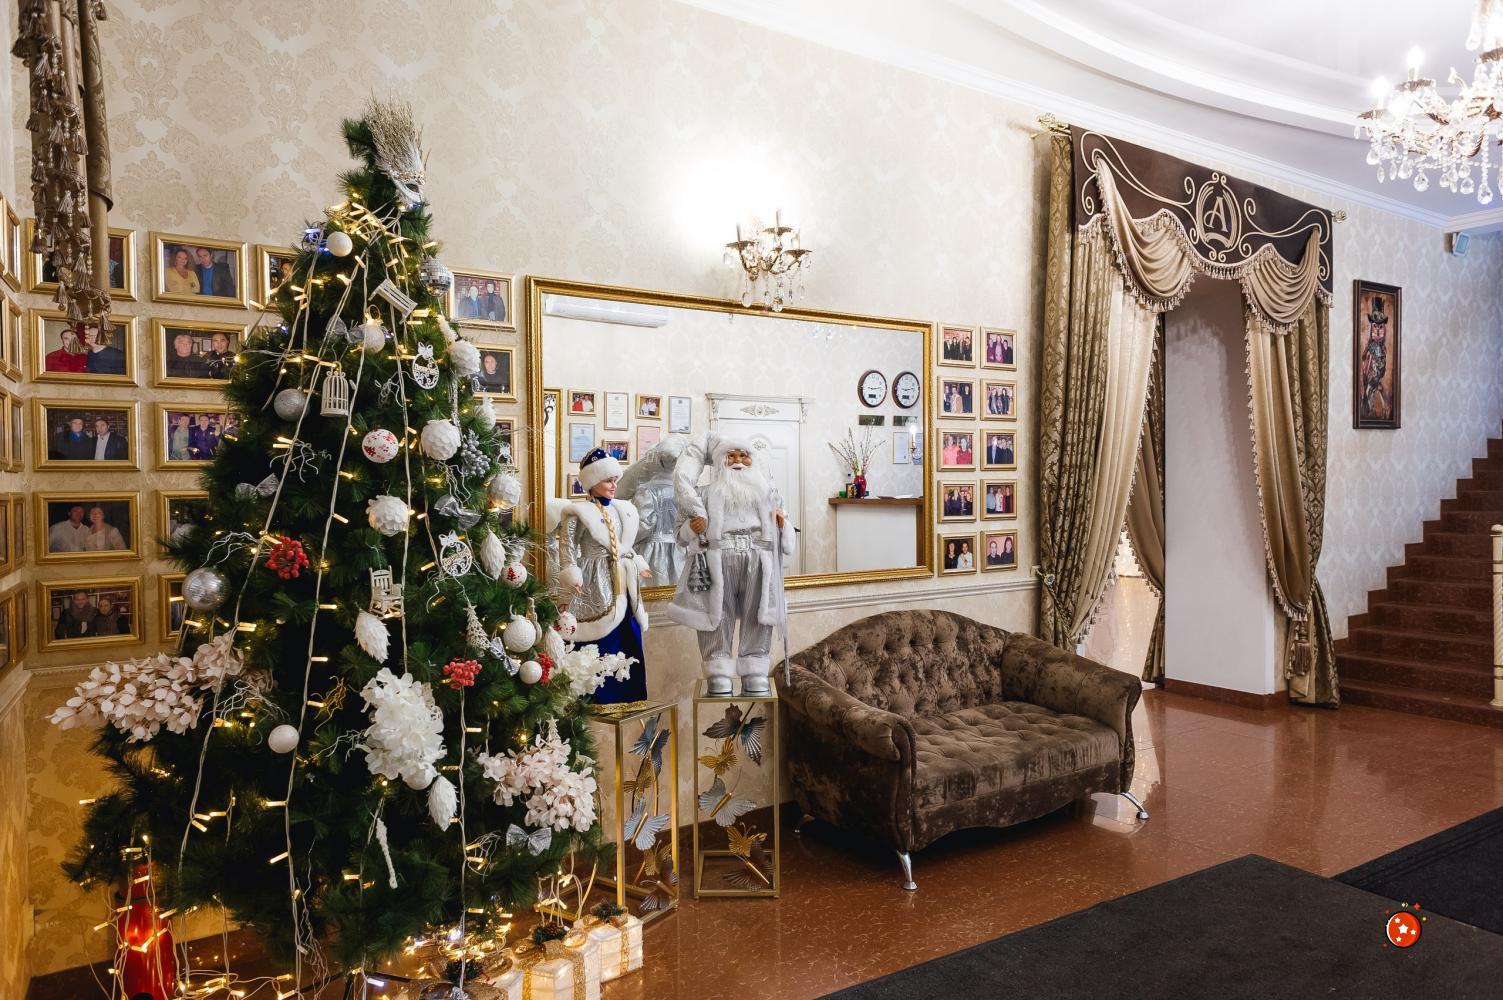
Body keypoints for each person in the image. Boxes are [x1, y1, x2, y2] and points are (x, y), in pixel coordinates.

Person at [668, 434, 796, 697]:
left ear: (753, 460)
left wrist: (782, 524)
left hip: (758, 560)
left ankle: (755, 668)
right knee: (716, 613)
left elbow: (786, 542)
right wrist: (691, 527)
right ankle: (717, 670)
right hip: (718, 559)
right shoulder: (703, 494)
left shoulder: (769, 494)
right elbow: (680, 537)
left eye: (743, 455)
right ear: (720, 461)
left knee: (758, 612)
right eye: (731, 456)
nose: (738, 461)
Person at [551, 448, 652, 704]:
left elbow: (624, 547)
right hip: (593, 580)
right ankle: (598, 696)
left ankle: (628, 693)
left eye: (615, 480)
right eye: (608, 480)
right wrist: (572, 573)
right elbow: (567, 548)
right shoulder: (578, 512)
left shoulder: (623, 509)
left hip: (622, 580)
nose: (614, 485)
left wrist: (637, 562)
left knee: (627, 631)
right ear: (593, 481)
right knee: (598, 633)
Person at [615, 436, 689, 587]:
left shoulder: (647, 491)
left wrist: (625, 538)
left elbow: (642, 525)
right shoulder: (687, 491)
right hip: (681, 551)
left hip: (652, 552)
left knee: (650, 592)